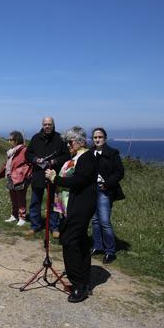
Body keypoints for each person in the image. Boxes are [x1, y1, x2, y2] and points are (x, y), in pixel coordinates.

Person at [45, 126, 98, 303]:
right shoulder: (75, 158)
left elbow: (79, 180)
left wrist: (56, 179)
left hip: (81, 205)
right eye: (66, 142)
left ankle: (78, 285)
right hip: (71, 206)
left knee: (70, 242)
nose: (68, 145)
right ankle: (84, 280)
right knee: (80, 242)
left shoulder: (87, 157)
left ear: (81, 142)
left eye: (70, 142)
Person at [25, 117, 70, 238]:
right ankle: (35, 226)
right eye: (45, 124)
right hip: (38, 174)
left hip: (53, 175)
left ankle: (54, 227)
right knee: (35, 202)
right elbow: (28, 154)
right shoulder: (35, 138)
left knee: (53, 203)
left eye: (49, 124)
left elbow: (67, 156)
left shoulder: (60, 139)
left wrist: (55, 161)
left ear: (54, 125)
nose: (47, 126)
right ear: (42, 125)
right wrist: (35, 159)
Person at [90, 127, 125, 264]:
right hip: (93, 190)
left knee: (104, 221)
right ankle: (98, 246)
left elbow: (119, 172)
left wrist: (107, 184)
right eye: (95, 137)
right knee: (95, 220)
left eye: (100, 137)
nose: (97, 139)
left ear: (105, 138)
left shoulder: (112, 153)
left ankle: (110, 251)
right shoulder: (90, 152)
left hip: (105, 190)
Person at [0, 130, 31, 226]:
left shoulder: (24, 150)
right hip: (11, 176)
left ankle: (22, 217)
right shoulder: (12, 151)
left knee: (20, 197)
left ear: (17, 140)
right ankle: (14, 215)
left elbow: (29, 164)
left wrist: (23, 173)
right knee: (13, 197)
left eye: (11, 139)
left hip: (19, 177)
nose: (9, 141)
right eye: (9, 139)